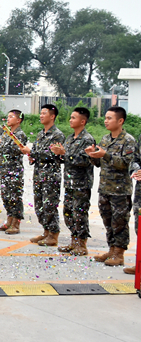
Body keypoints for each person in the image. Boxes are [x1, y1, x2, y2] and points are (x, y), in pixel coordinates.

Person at [87, 106, 136, 267]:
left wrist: (105, 155)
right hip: (105, 188)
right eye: (105, 118)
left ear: (120, 121)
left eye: (109, 118)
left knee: (120, 222)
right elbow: (100, 163)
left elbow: (125, 164)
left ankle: (119, 253)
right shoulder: (105, 139)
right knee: (108, 221)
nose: (105, 121)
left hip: (120, 191)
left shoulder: (128, 140)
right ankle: (111, 249)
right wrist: (92, 156)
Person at [19, 104, 65, 246]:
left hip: (51, 176)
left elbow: (52, 154)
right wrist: (32, 157)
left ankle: (53, 234)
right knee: (39, 205)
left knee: (49, 205)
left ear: (52, 116)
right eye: (41, 113)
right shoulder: (40, 134)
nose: (41, 115)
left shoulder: (57, 135)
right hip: (39, 174)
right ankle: (46, 232)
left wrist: (31, 152)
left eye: (44, 113)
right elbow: (39, 154)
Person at [54, 107, 96, 255]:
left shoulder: (87, 139)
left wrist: (65, 154)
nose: (71, 120)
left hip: (81, 183)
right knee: (68, 212)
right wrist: (59, 154)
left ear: (82, 121)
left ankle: (82, 244)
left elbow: (86, 160)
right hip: (69, 182)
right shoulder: (70, 138)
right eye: (70, 117)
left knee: (80, 214)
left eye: (74, 118)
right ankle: (74, 241)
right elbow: (65, 159)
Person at [0, 110, 28, 234]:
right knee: (6, 196)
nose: (8, 119)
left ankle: (16, 223)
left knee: (15, 196)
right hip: (4, 169)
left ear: (18, 120)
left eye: (11, 117)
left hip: (14, 170)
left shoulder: (20, 134)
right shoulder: (6, 134)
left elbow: (16, 150)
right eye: (7, 116)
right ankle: (9, 220)